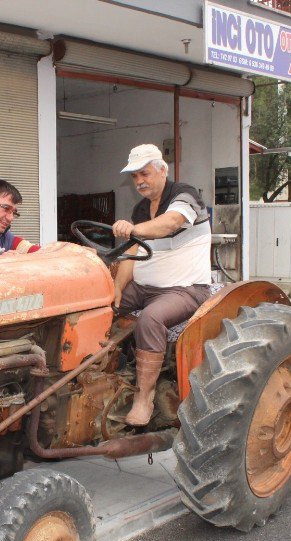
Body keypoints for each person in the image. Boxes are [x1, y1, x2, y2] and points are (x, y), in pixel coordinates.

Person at [112, 144, 212, 426]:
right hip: (144, 287)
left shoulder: (185, 195)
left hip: (185, 289)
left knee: (151, 318)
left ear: (162, 170)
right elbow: (133, 252)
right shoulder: (141, 208)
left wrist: (133, 229)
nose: (139, 181)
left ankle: (144, 398)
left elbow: (169, 224)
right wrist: (117, 289)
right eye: (134, 177)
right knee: (102, 307)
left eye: (144, 173)